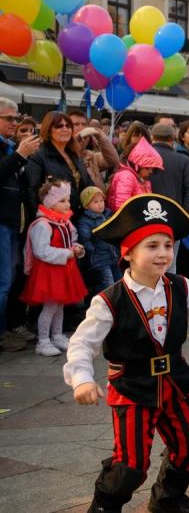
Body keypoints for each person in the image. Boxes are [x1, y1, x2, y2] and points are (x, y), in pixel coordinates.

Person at [64, 194, 189, 513]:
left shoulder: (180, 285)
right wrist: (82, 378)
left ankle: (168, 498)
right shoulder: (109, 300)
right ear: (129, 253)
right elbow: (82, 343)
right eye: (152, 246)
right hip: (132, 388)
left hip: (174, 384)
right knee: (131, 465)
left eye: (167, 245)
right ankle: (104, 505)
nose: (163, 253)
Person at [22, 179, 88, 356]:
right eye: (62, 201)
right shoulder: (43, 224)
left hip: (63, 270)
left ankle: (57, 335)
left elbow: (71, 240)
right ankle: (43, 341)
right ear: (50, 203)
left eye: (68, 199)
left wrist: (76, 248)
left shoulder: (65, 222)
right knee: (50, 306)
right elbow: (41, 251)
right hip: (49, 272)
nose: (68, 204)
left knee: (59, 306)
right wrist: (67, 253)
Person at [0, 97, 39, 352]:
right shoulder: (13, 151)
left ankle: (4, 330)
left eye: (17, 118)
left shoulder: (10, 147)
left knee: (9, 280)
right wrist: (20, 155)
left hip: (14, 222)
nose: (15, 123)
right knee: (2, 282)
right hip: (2, 222)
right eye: (9, 118)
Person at [150, 123, 189, 273]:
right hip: (173, 219)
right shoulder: (182, 160)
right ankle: (169, 294)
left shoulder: (142, 156)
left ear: (152, 137)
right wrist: (185, 214)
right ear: (172, 139)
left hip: (146, 216)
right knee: (170, 263)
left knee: (148, 260)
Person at [24, 111, 92, 219]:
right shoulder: (38, 157)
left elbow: (88, 184)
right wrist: (39, 219)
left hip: (78, 218)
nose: (65, 129)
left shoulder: (75, 155)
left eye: (68, 126)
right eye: (59, 126)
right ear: (49, 130)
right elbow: (31, 192)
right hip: (52, 222)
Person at [77, 187, 120, 294]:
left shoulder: (108, 215)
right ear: (86, 205)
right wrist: (93, 250)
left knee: (119, 280)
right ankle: (98, 299)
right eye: (95, 202)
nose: (100, 204)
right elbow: (84, 239)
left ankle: (116, 304)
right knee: (107, 282)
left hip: (112, 254)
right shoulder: (86, 221)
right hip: (99, 257)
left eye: (101, 201)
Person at [106, 137, 163, 212]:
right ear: (137, 165)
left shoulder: (142, 179)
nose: (151, 171)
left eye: (153, 168)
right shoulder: (126, 177)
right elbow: (122, 207)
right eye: (147, 167)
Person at [77, 125, 120, 190]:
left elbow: (113, 161)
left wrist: (100, 135)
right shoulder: (62, 158)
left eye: (85, 137)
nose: (82, 140)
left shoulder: (92, 157)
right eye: (79, 137)